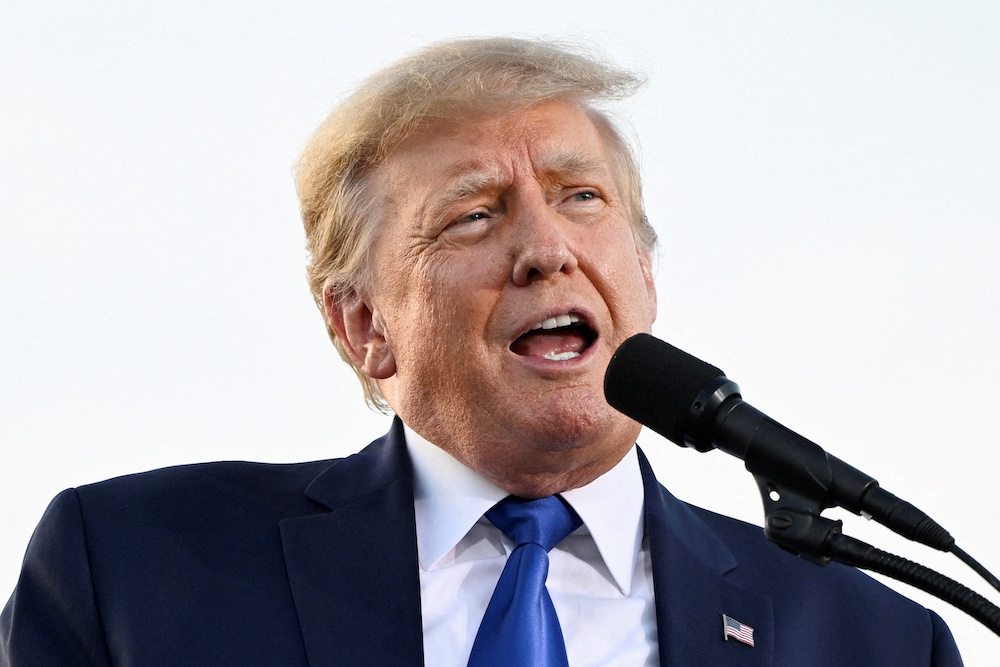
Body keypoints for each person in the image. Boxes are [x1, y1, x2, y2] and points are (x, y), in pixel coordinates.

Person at [1, 37, 962, 666]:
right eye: (473, 215)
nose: (549, 248)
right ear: (362, 326)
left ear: (645, 274)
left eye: (583, 197)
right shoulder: (132, 570)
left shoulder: (871, 638)